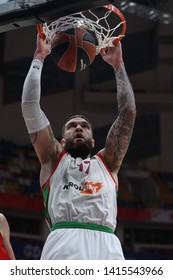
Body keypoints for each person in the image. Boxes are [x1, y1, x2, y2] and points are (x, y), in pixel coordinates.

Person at [21, 33, 136, 260]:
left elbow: (128, 113)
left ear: (94, 142)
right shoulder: (53, 158)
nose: (79, 127)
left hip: (107, 244)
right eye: (71, 126)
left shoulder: (108, 162)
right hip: (64, 239)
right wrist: (39, 57)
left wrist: (118, 65)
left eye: (84, 125)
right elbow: (30, 107)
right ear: (62, 142)